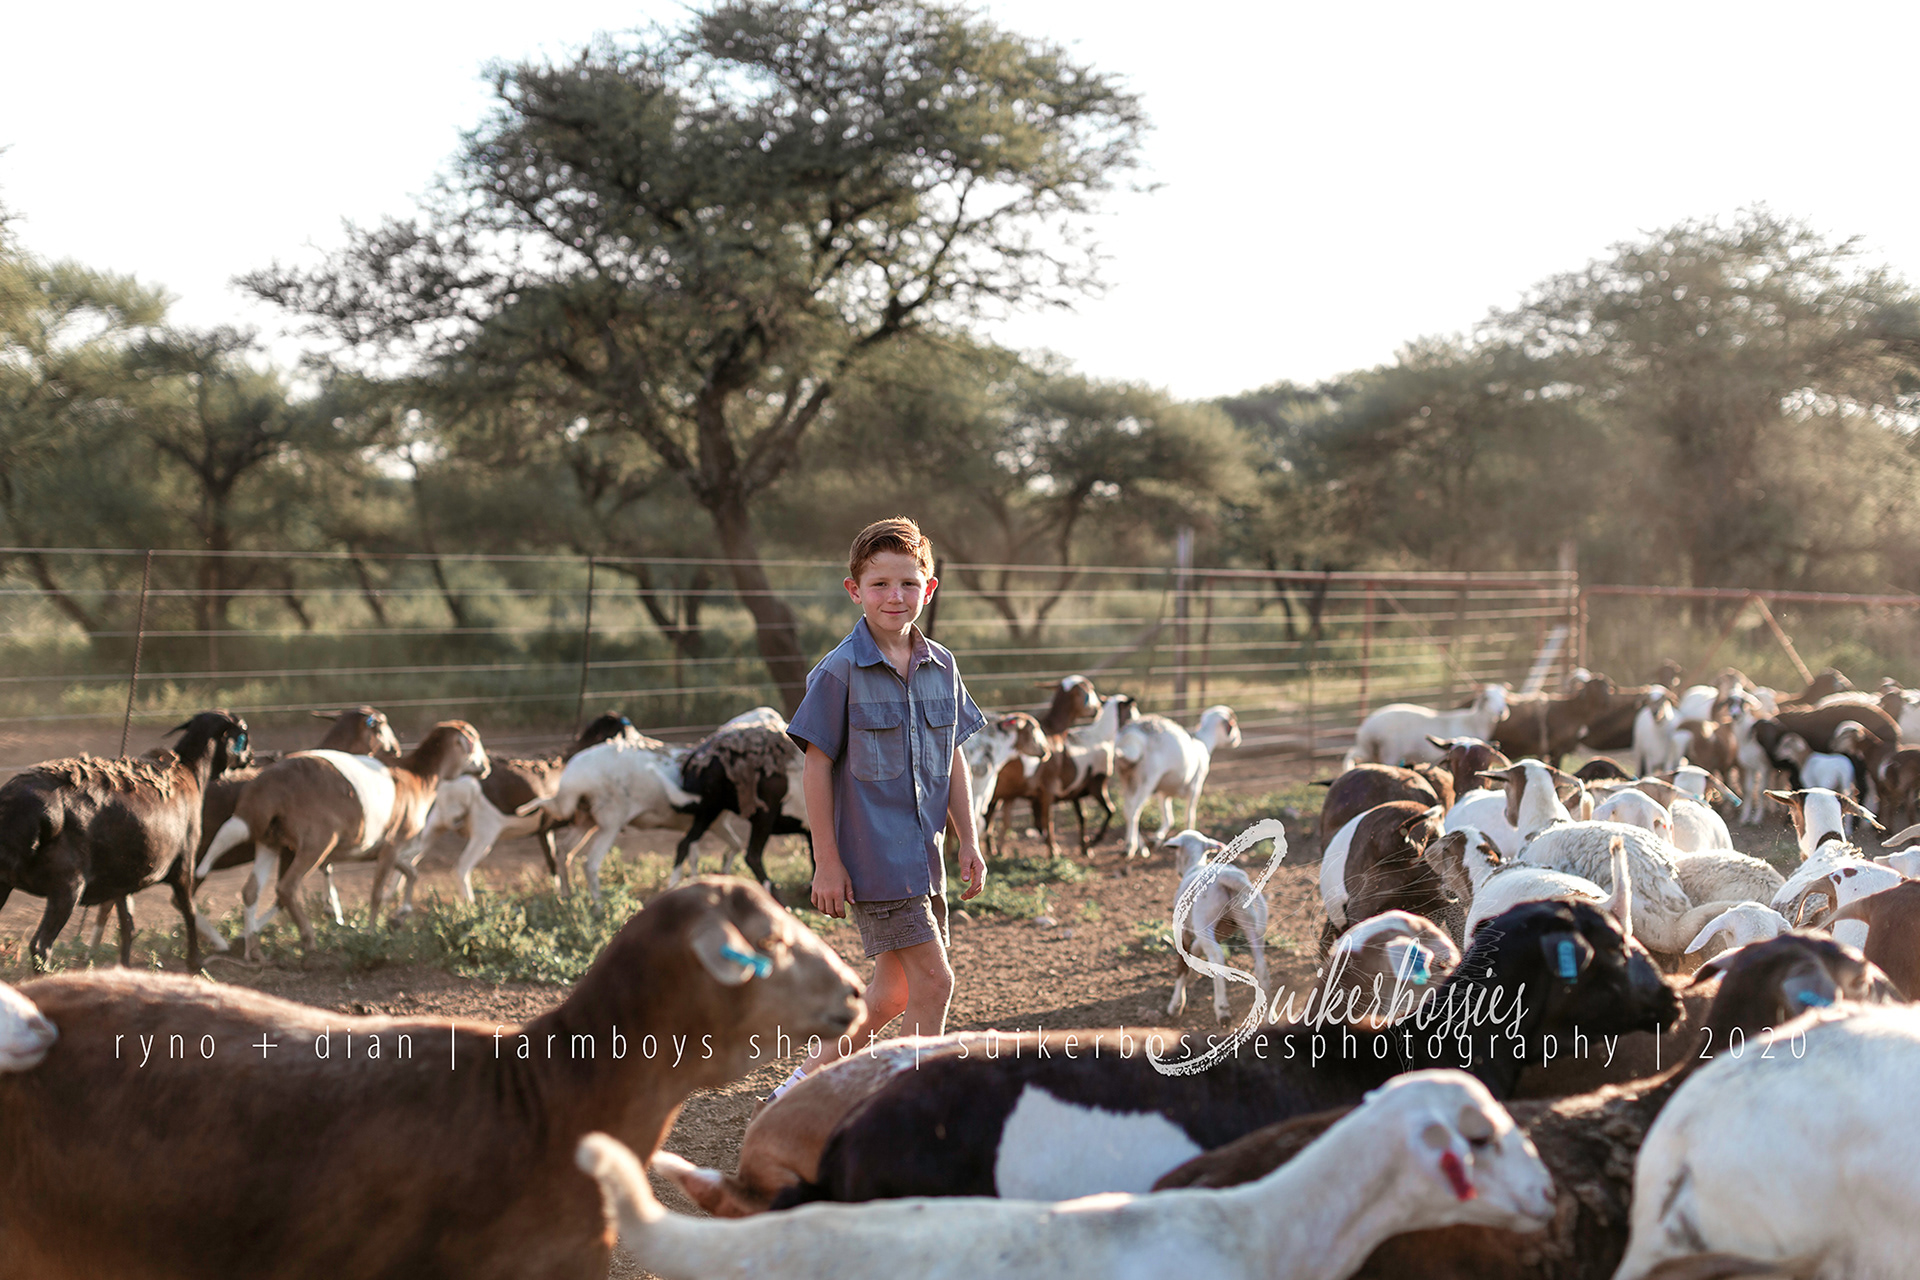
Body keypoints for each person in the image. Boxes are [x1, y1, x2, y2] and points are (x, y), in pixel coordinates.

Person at [775, 516, 987, 1099]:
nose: (895, 597)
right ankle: (912, 1107)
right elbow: (816, 766)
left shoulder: (943, 666)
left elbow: (954, 759)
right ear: (854, 591)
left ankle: (799, 1087)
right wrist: (826, 862)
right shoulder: (838, 671)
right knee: (935, 983)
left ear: (930, 587)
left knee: (892, 995)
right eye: (879, 585)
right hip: (874, 860)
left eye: (908, 584)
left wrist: (968, 838)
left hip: (928, 859)